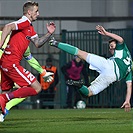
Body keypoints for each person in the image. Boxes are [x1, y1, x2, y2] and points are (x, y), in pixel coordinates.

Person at [49, 25, 132, 112]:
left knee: (80, 53)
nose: (110, 49)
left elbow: (121, 40)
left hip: (109, 65)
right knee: (88, 93)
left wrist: (106, 33)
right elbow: (129, 86)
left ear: (117, 45)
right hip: (111, 77)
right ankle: (79, 85)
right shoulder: (129, 69)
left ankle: (55, 43)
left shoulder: (122, 49)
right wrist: (127, 100)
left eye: (111, 46)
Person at [0, 1, 56, 115]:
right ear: (29, 12)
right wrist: (0, 46)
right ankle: (4, 98)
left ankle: (2, 111)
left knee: (6, 91)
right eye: (36, 11)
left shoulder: (30, 27)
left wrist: (49, 33)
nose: (38, 14)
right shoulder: (24, 21)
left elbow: (38, 43)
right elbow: (8, 26)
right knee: (37, 88)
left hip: (6, 62)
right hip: (11, 62)